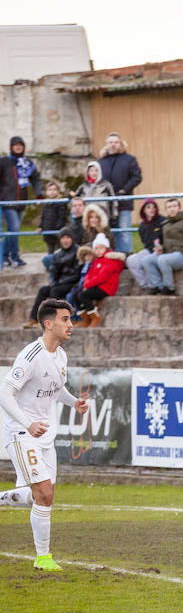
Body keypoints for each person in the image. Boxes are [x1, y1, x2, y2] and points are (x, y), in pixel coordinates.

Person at [0, 299, 89, 570]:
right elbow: (5, 392)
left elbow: (56, 388)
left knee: (40, 495)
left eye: (70, 319)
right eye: (65, 319)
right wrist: (27, 423)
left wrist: (73, 401)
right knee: (45, 493)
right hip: (20, 432)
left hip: (44, 437)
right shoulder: (30, 356)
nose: (71, 324)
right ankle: (43, 558)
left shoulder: (61, 355)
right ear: (48, 324)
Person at [145, 197, 183, 296]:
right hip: (170, 255)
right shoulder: (166, 224)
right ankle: (157, 286)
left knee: (163, 260)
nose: (172, 209)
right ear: (166, 210)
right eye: (169, 207)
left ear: (179, 208)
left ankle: (169, 287)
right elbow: (168, 243)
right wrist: (161, 248)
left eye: (174, 206)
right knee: (147, 260)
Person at [27, 229, 81, 328]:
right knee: (43, 290)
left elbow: (77, 274)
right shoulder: (58, 254)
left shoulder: (77, 252)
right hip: (59, 283)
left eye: (67, 238)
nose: (65, 240)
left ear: (72, 239)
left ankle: (51, 321)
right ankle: (33, 318)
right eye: (63, 238)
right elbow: (53, 272)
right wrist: (53, 282)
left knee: (55, 291)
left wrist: (59, 283)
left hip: (72, 283)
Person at [0, 136, 40, 267]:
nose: (18, 147)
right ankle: (15, 256)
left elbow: (36, 178)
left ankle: (5, 256)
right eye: (15, 145)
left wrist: (39, 193)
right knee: (15, 228)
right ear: (11, 147)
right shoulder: (4, 162)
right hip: (7, 202)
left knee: (12, 229)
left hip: (22, 202)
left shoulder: (27, 163)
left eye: (20, 145)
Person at [98, 132, 142, 253]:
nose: (113, 145)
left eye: (116, 142)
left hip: (123, 202)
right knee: (110, 231)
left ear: (121, 144)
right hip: (107, 204)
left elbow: (136, 177)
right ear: (107, 145)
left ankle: (127, 256)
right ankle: (115, 256)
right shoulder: (101, 162)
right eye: (111, 142)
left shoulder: (129, 160)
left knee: (124, 231)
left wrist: (124, 190)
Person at [71, 234, 125, 327]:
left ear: (106, 249)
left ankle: (95, 317)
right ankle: (85, 319)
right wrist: (85, 284)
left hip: (107, 288)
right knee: (75, 294)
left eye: (101, 248)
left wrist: (87, 285)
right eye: (96, 248)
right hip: (96, 286)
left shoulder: (110, 260)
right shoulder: (97, 261)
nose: (98, 251)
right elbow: (89, 274)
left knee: (83, 295)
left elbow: (102, 277)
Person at [123, 198, 165, 291]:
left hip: (162, 250)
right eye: (148, 207)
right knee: (131, 260)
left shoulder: (162, 221)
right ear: (144, 210)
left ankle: (156, 285)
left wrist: (161, 247)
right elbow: (144, 241)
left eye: (154, 207)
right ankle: (146, 285)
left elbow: (167, 238)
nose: (152, 209)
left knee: (147, 260)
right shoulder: (142, 225)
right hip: (148, 250)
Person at [39, 182, 67, 255]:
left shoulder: (60, 203)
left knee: (59, 250)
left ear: (58, 191)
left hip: (57, 232)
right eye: (50, 190)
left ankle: (60, 263)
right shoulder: (46, 203)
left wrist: (58, 228)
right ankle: (51, 263)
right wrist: (40, 226)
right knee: (50, 250)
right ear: (46, 192)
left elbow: (62, 217)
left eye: (54, 189)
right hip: (47, 231)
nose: (52, 192)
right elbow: (43, 217)